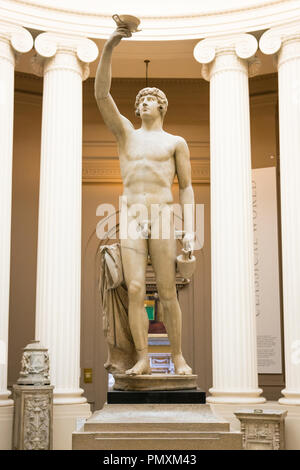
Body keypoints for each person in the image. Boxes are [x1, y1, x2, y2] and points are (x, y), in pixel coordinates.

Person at [94, 25, 195, 376]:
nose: (142, 103)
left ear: (162, 105)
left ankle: (178, 356)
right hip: (132, 215)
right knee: (135, 288)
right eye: (138, 101)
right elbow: (102, 94)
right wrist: (111, 44)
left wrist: (190, 230)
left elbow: (186, 187)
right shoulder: (126, 136)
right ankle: (143, 358)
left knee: (167, 292)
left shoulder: (175, 142)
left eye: (148, 99)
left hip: (165, 216)